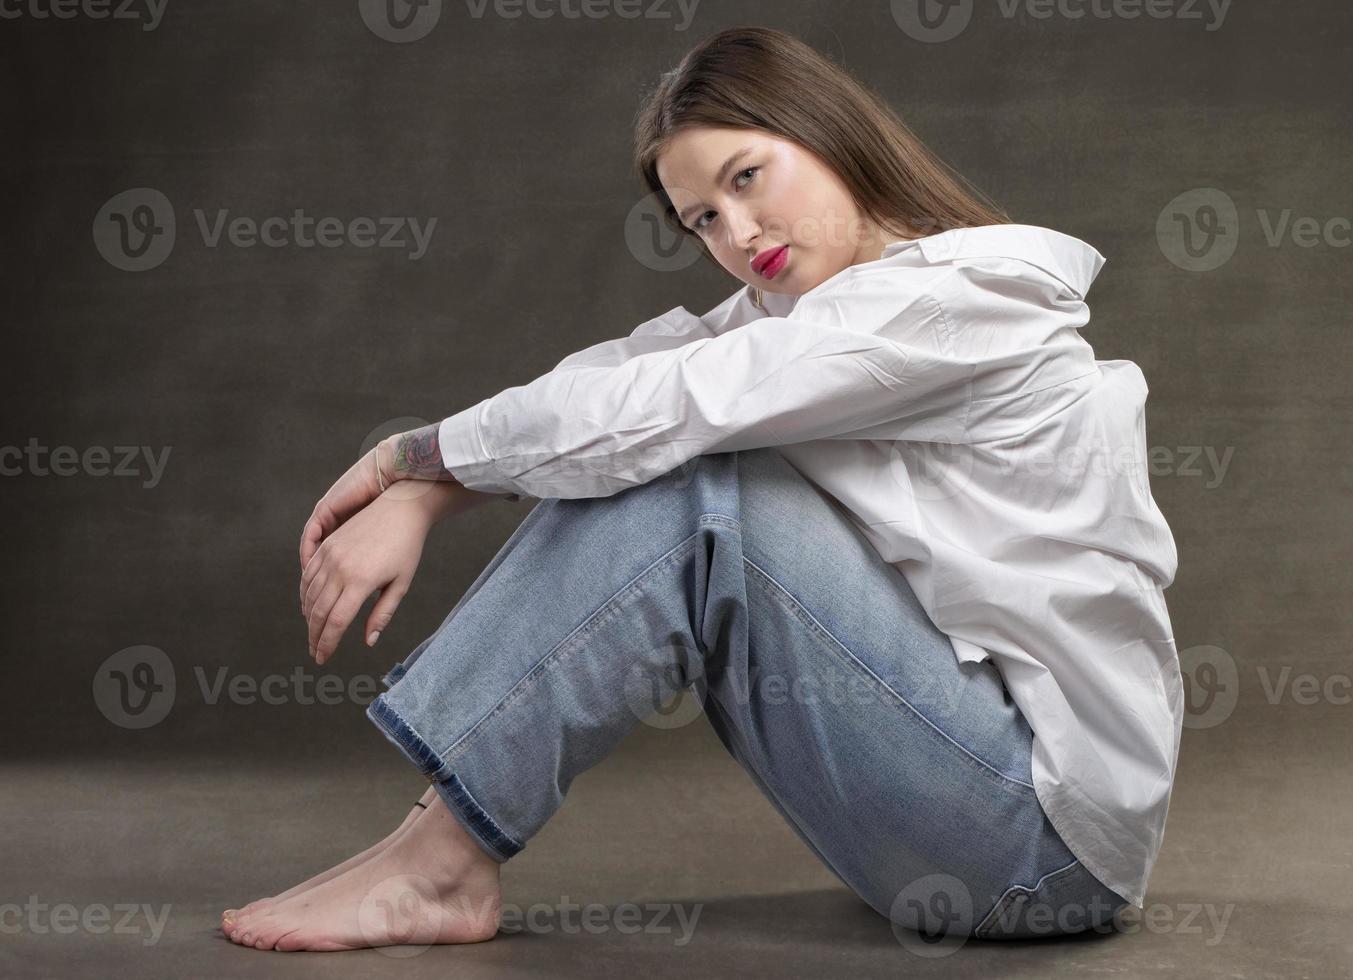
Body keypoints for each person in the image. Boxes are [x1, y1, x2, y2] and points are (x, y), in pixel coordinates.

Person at [221, 26, 1180, 952]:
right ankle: (425, 848)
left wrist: (408, 461)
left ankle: (436, 868)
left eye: (747, 177)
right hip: (953, 815)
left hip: (1041, 845)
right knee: (666, 453)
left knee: (702, 485)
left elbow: (678, 402)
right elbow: (618, 382)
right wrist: (431, 488)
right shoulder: (805, 313)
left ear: (825, 129)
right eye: (703, 219)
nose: (739, 231)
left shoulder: (954, 299)